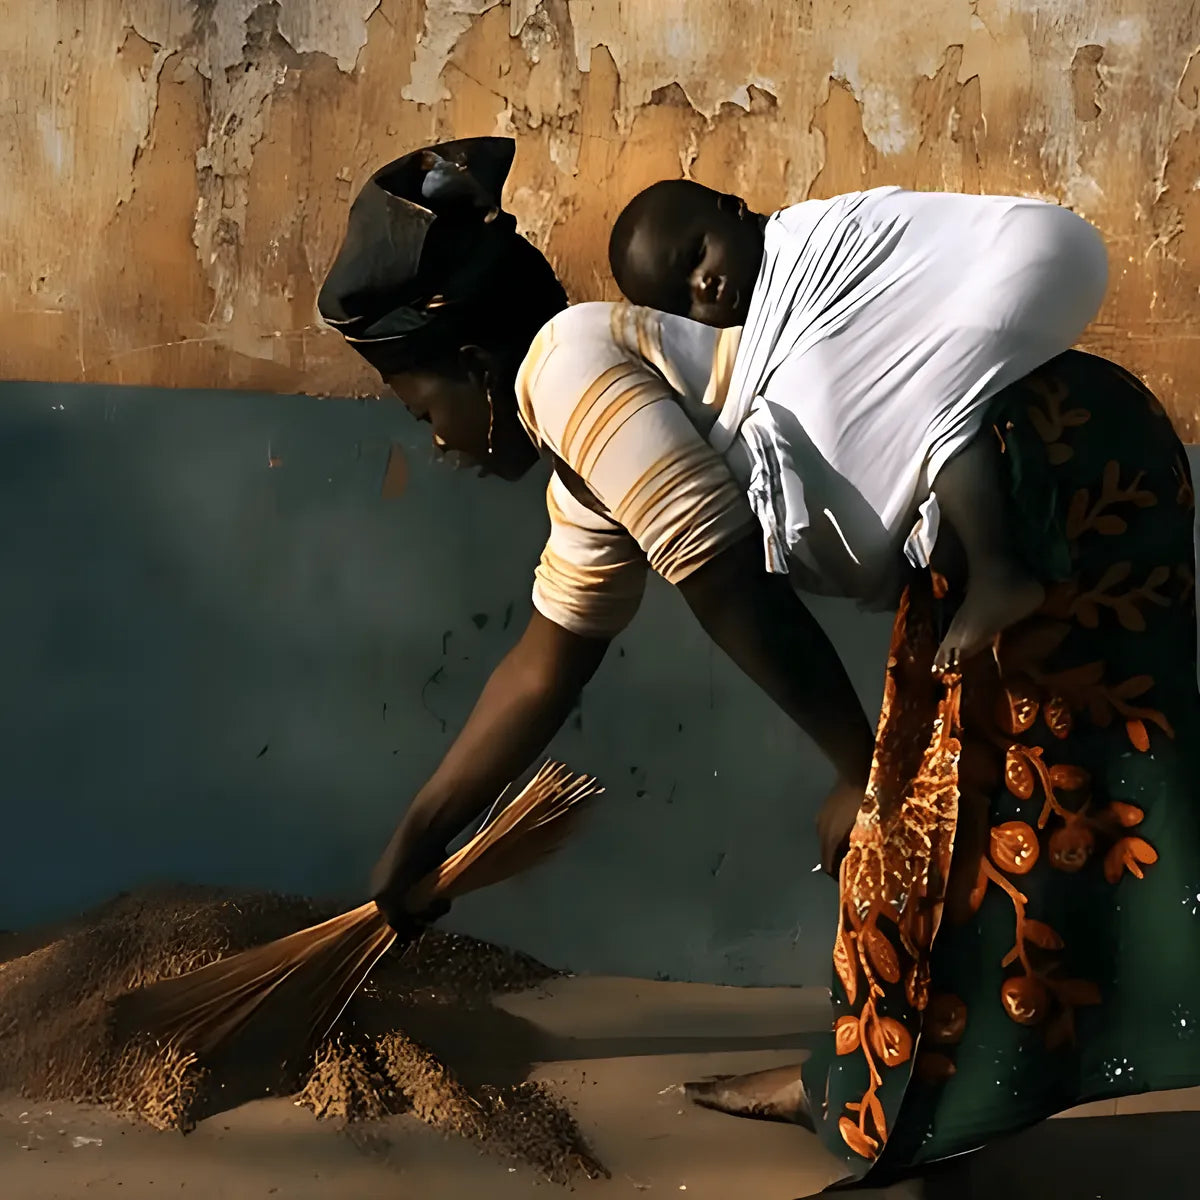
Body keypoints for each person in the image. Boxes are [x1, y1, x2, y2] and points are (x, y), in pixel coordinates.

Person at [318, 136, 1200, 1192]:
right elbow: (547, 665)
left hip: (1052, 478)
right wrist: (418, 840)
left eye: (425, 414)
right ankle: (859, 1090)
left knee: (963, 836)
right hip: (1000, 507)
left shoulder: (564, 365)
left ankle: (910, 1140)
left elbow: (725, 574)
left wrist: (857, 771)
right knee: (950, 838)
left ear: (472, 366)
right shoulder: (586, 461)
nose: (443, 447)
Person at [608, 178, 1110, 672]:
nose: (705, 287)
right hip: (1024, 276)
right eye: (683, 301)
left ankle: (998, 570)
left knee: (923, 398)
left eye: (697, 256)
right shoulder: (784, 308)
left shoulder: (820, 239)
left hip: (1028, 258)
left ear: (734, 208)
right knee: (889, 395)